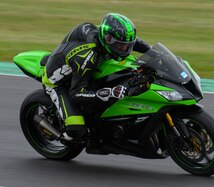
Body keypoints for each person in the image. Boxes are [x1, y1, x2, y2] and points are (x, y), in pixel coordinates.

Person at [41, 13, 151, 145]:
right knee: (76, 130)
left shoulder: (106, 35)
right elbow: (76, 93)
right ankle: (63, 134)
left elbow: (137, 43)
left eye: (127, 46)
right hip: (58, 83)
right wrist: (108, 93)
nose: (125, 49)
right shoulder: (88, 57)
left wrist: (155, 53)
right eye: (120, 46)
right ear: (108, 39)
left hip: (78, 71)